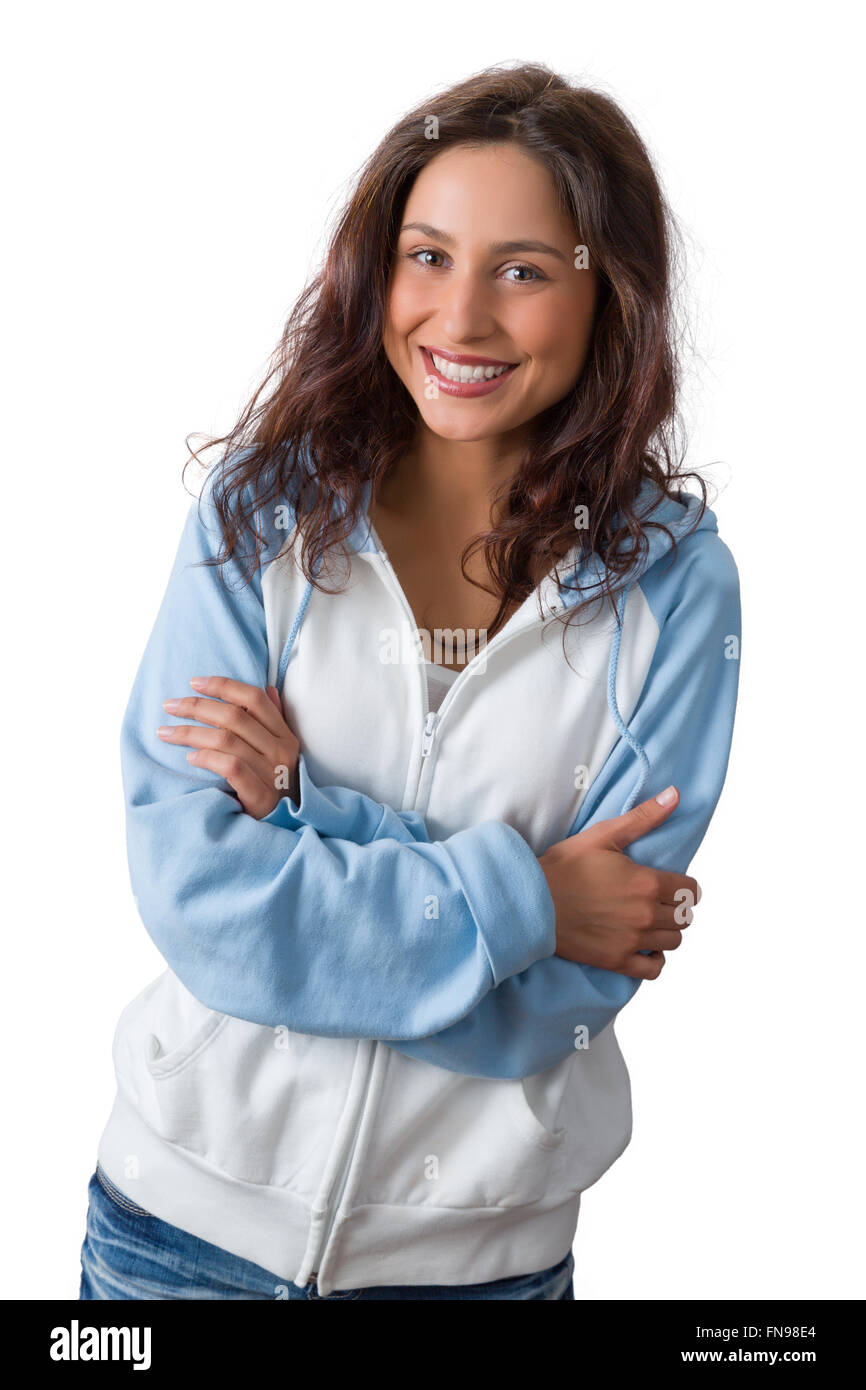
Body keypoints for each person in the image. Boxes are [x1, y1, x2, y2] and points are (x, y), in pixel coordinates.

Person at [79, 61, 741, 1301]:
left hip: (479, 1270)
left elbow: (566, 998)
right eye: (426, 256)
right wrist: (533, 897)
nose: (460, 318)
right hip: (177, 1243)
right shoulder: (261, 516)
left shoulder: (676, 592)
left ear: (613, 295)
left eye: (523, 270)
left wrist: (305, 814)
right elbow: (208, 912)